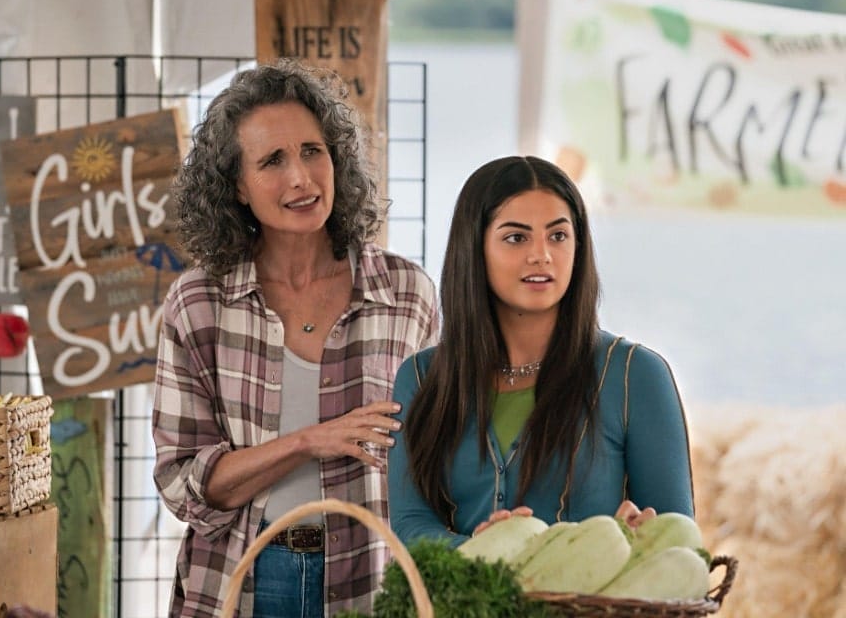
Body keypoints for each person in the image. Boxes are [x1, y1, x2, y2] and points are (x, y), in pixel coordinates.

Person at [152, 59, 439, 618]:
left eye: (312, 151)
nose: (301, 178)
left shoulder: (408, 293)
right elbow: (183, 481)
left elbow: (434, 460)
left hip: (370, 579)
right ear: (236, 186)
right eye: (272, 161)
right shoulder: (199, 304)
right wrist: (310, 440)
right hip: (240, 578)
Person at [388, 155, 694, 547]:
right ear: (474, 249)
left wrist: (635, 539)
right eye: (516, 237)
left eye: (558, 236)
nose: (542, 255)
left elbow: (678, 541)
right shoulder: (420, 378)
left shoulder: (637, 375)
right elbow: (411, 523)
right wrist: (485, 555)